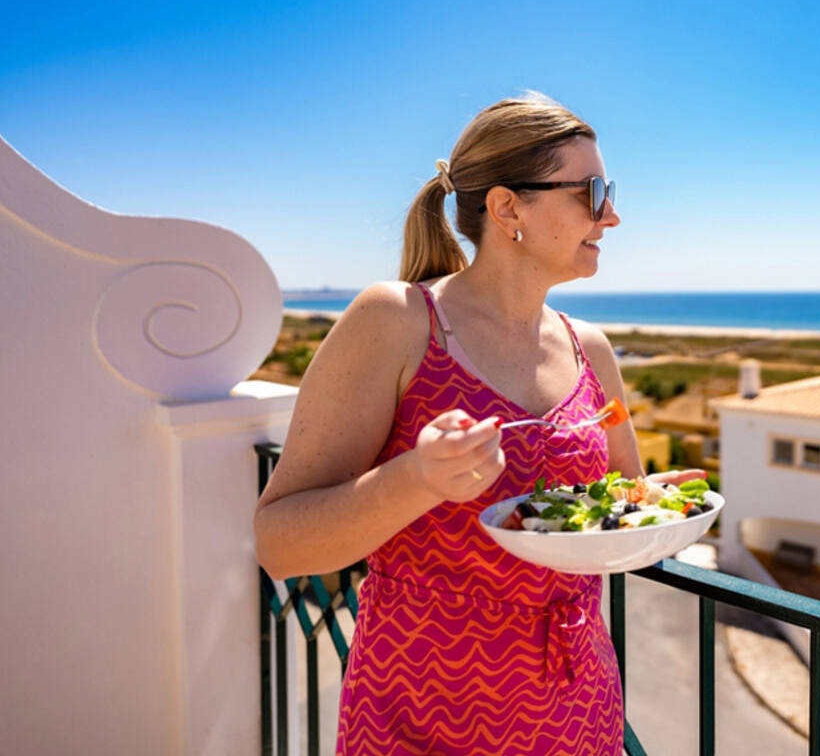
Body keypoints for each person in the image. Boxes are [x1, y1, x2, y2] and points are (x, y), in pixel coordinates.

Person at [253, 93, 705, 755]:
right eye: (592, 191)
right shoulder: (398, 321)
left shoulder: (593, 351)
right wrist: (415, 479)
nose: (611, 214)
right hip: (424, 715)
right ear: (507, 207)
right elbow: (280, 546)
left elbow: (624, 496)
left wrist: (663, 504)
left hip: (579, 710)